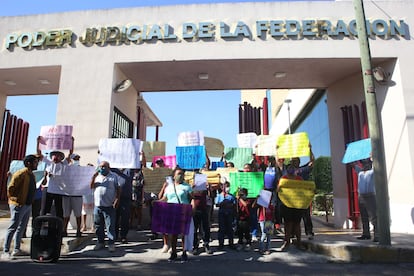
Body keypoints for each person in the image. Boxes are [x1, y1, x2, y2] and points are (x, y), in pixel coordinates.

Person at [2, 154, 39, 260]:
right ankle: (6, 251)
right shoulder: (21, 174)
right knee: (13, 227)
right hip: (19, 204)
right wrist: (16, 200)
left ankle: (16, 249)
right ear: (29, 163)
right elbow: (11, 188)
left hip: (27, 205)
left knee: (21, 227)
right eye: (35, 162)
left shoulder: (31, 174)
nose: (37, 164)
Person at [160, 167, 193, 262]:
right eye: (178, 174)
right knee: (173, 234)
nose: (180, 176)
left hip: (183, 211)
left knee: (183, 234)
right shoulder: (169, 187)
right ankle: (174, 252)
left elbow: (192, 198)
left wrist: (192, 209)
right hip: (171, 212)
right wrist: (157, 202)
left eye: (182, 174)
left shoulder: (187, 187)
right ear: (174, 176)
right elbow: (164, 199)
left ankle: (184, 252)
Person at [90, 161, 121, 252]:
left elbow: (119, 189)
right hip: (98, 205)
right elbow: (91, 186)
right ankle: (100, 242)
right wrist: (94, 177)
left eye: (104, 166)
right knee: (98, 225)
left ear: (108, 167)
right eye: (100, 167)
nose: (102, 168)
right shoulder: (97, 176)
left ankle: (111, 243)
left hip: (109, 205)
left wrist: (117, 200)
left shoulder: (114, 176)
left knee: (110, 225)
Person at [278, 162, 305, 251]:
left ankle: (299, 242)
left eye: (292, 167)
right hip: (286, 204)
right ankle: (287, 242)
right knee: (288, 224)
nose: (291, 169)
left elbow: (304, 189)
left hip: (297, 204)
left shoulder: (299, 179)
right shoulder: (283, 178)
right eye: (289, 167)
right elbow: (278, 189)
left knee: (297, 224)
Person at [293, 145, 315, 240]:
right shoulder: (288, 171)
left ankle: (309, 232)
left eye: (295, 160)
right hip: (292, 197)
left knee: (306, 215)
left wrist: (310, 149)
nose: (294, 162)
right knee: (293, 216)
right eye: (292, 161)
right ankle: (293, 233)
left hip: (303, 197)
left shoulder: (304, 169)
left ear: (299, 161)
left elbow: (312, 162)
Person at [354, 158, 379, 242]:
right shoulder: (360, 172)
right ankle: (366, 234)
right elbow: (352, 165)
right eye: (363, 163)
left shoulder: (372, 172)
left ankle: (377, 235)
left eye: (366, 163)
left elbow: (377, 164)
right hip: (361, 196)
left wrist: (373, 157)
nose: (365, 165)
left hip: (370, 195)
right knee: (364, 216)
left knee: (373, 216)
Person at [62, 153, 83, 237]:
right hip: (67, 194)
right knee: (66, 214)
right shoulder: (66, 169)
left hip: (77, 195)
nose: (76, 160)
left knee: (78, 214)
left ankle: (78, 230)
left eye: (78, 158)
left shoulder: (81, 169)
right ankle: (64, 230)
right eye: (75, 158)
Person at [191, 176, 212, 255]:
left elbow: (210, 196)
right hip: (195, 210)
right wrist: (192, 188)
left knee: (205, 228)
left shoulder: (204, 188)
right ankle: (195, 246)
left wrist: (208, 187)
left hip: (204, 209)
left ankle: (206, 244)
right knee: (194, 229)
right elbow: (190, 196)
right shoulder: (192, 188)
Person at [111, 168, 132, 244]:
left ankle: (123, 236)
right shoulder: (112, 169)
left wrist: (141, 155)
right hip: (114, 198)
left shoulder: (129, 169)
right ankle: (115, 236)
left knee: (125, 219)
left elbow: (140, 164)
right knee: (114, 218)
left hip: (125, 199)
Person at [215, 181, 236, 250]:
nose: (227, 188)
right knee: (222, 229)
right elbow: (217, 204)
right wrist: (222, 203)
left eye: (228, 186)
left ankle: (231, 243)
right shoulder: (219, 195)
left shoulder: (231, 196)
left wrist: (230, 205)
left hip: (229, 214)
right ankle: (221, 244)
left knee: (230, 229)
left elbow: (234, 204)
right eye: (226, 187)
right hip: (222, 214)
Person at [243, 163, 258, 242]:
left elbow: (258, 189)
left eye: (248, 168)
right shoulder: (240, 178)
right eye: (245, 168)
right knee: (244, 219)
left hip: (252, 201)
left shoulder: (255, 178)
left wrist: (255, 201)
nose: (247, 170)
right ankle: (245, 235)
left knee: (253, 218)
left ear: (251, 169)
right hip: (243, 202)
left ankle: (254, 234)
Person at [257, 189, 275, 255]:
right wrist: (257, 198)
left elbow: (273, 213)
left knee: (269, 235)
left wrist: (273, 221)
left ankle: (267, 248)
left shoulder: (271, 205)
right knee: (264, 234)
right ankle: (261, 248)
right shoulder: (261, 204)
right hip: (262, 220)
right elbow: (254, 206)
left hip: (269, 221)